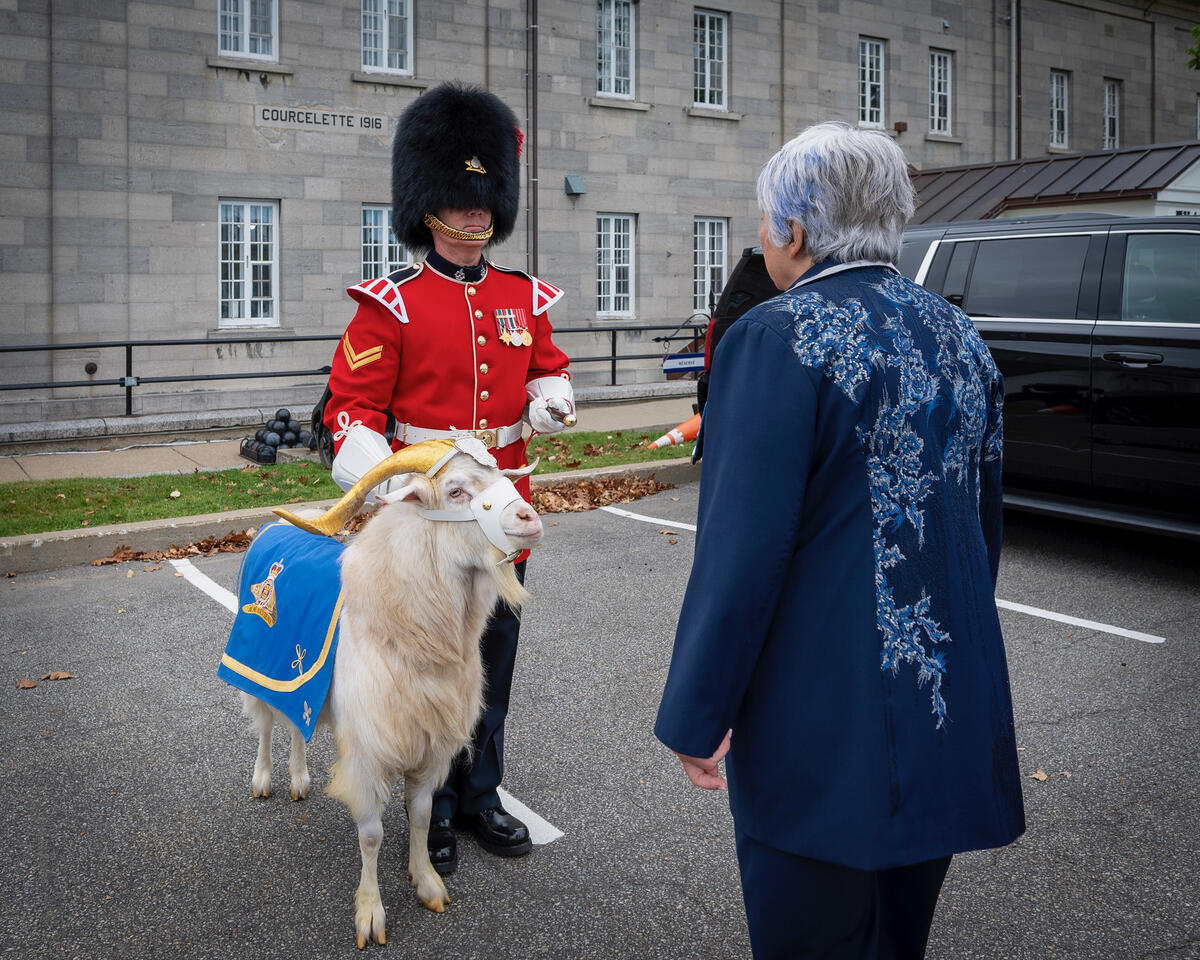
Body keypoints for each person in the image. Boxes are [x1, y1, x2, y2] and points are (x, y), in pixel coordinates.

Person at [654, 121, 1026, 960]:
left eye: (763, 219)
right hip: (941, 702)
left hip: (816, 721)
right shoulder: (959, 334)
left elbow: (741, 551)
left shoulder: (775, 335)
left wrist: (699, 712)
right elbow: (980, 530)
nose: (762, 236)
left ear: (791, 229)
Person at [322, 82, 575, 876]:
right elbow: (348, 413)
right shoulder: (390, 305)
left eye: (483, 201)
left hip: (502, 514)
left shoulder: (523, 297)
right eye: (460, 201)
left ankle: (480, 795)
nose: (473, 215)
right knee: (420, 663)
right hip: (424, 520)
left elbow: (546, 366)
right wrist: (385, 483)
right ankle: (423, 808)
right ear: (428, 204)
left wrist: (551, 396)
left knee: (490, 661)